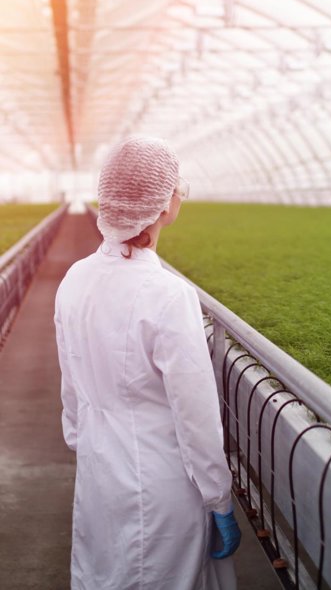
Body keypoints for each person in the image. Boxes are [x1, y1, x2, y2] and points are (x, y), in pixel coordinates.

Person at [54, 135, 241, 590]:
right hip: (160, 486)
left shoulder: (76, 279)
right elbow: (195, 413)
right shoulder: (167, 295)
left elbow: (72, 390)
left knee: (102, 575)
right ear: (161, 205)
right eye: (177, 188)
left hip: (99, 473)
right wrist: (218, 497)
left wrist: (89, 440)